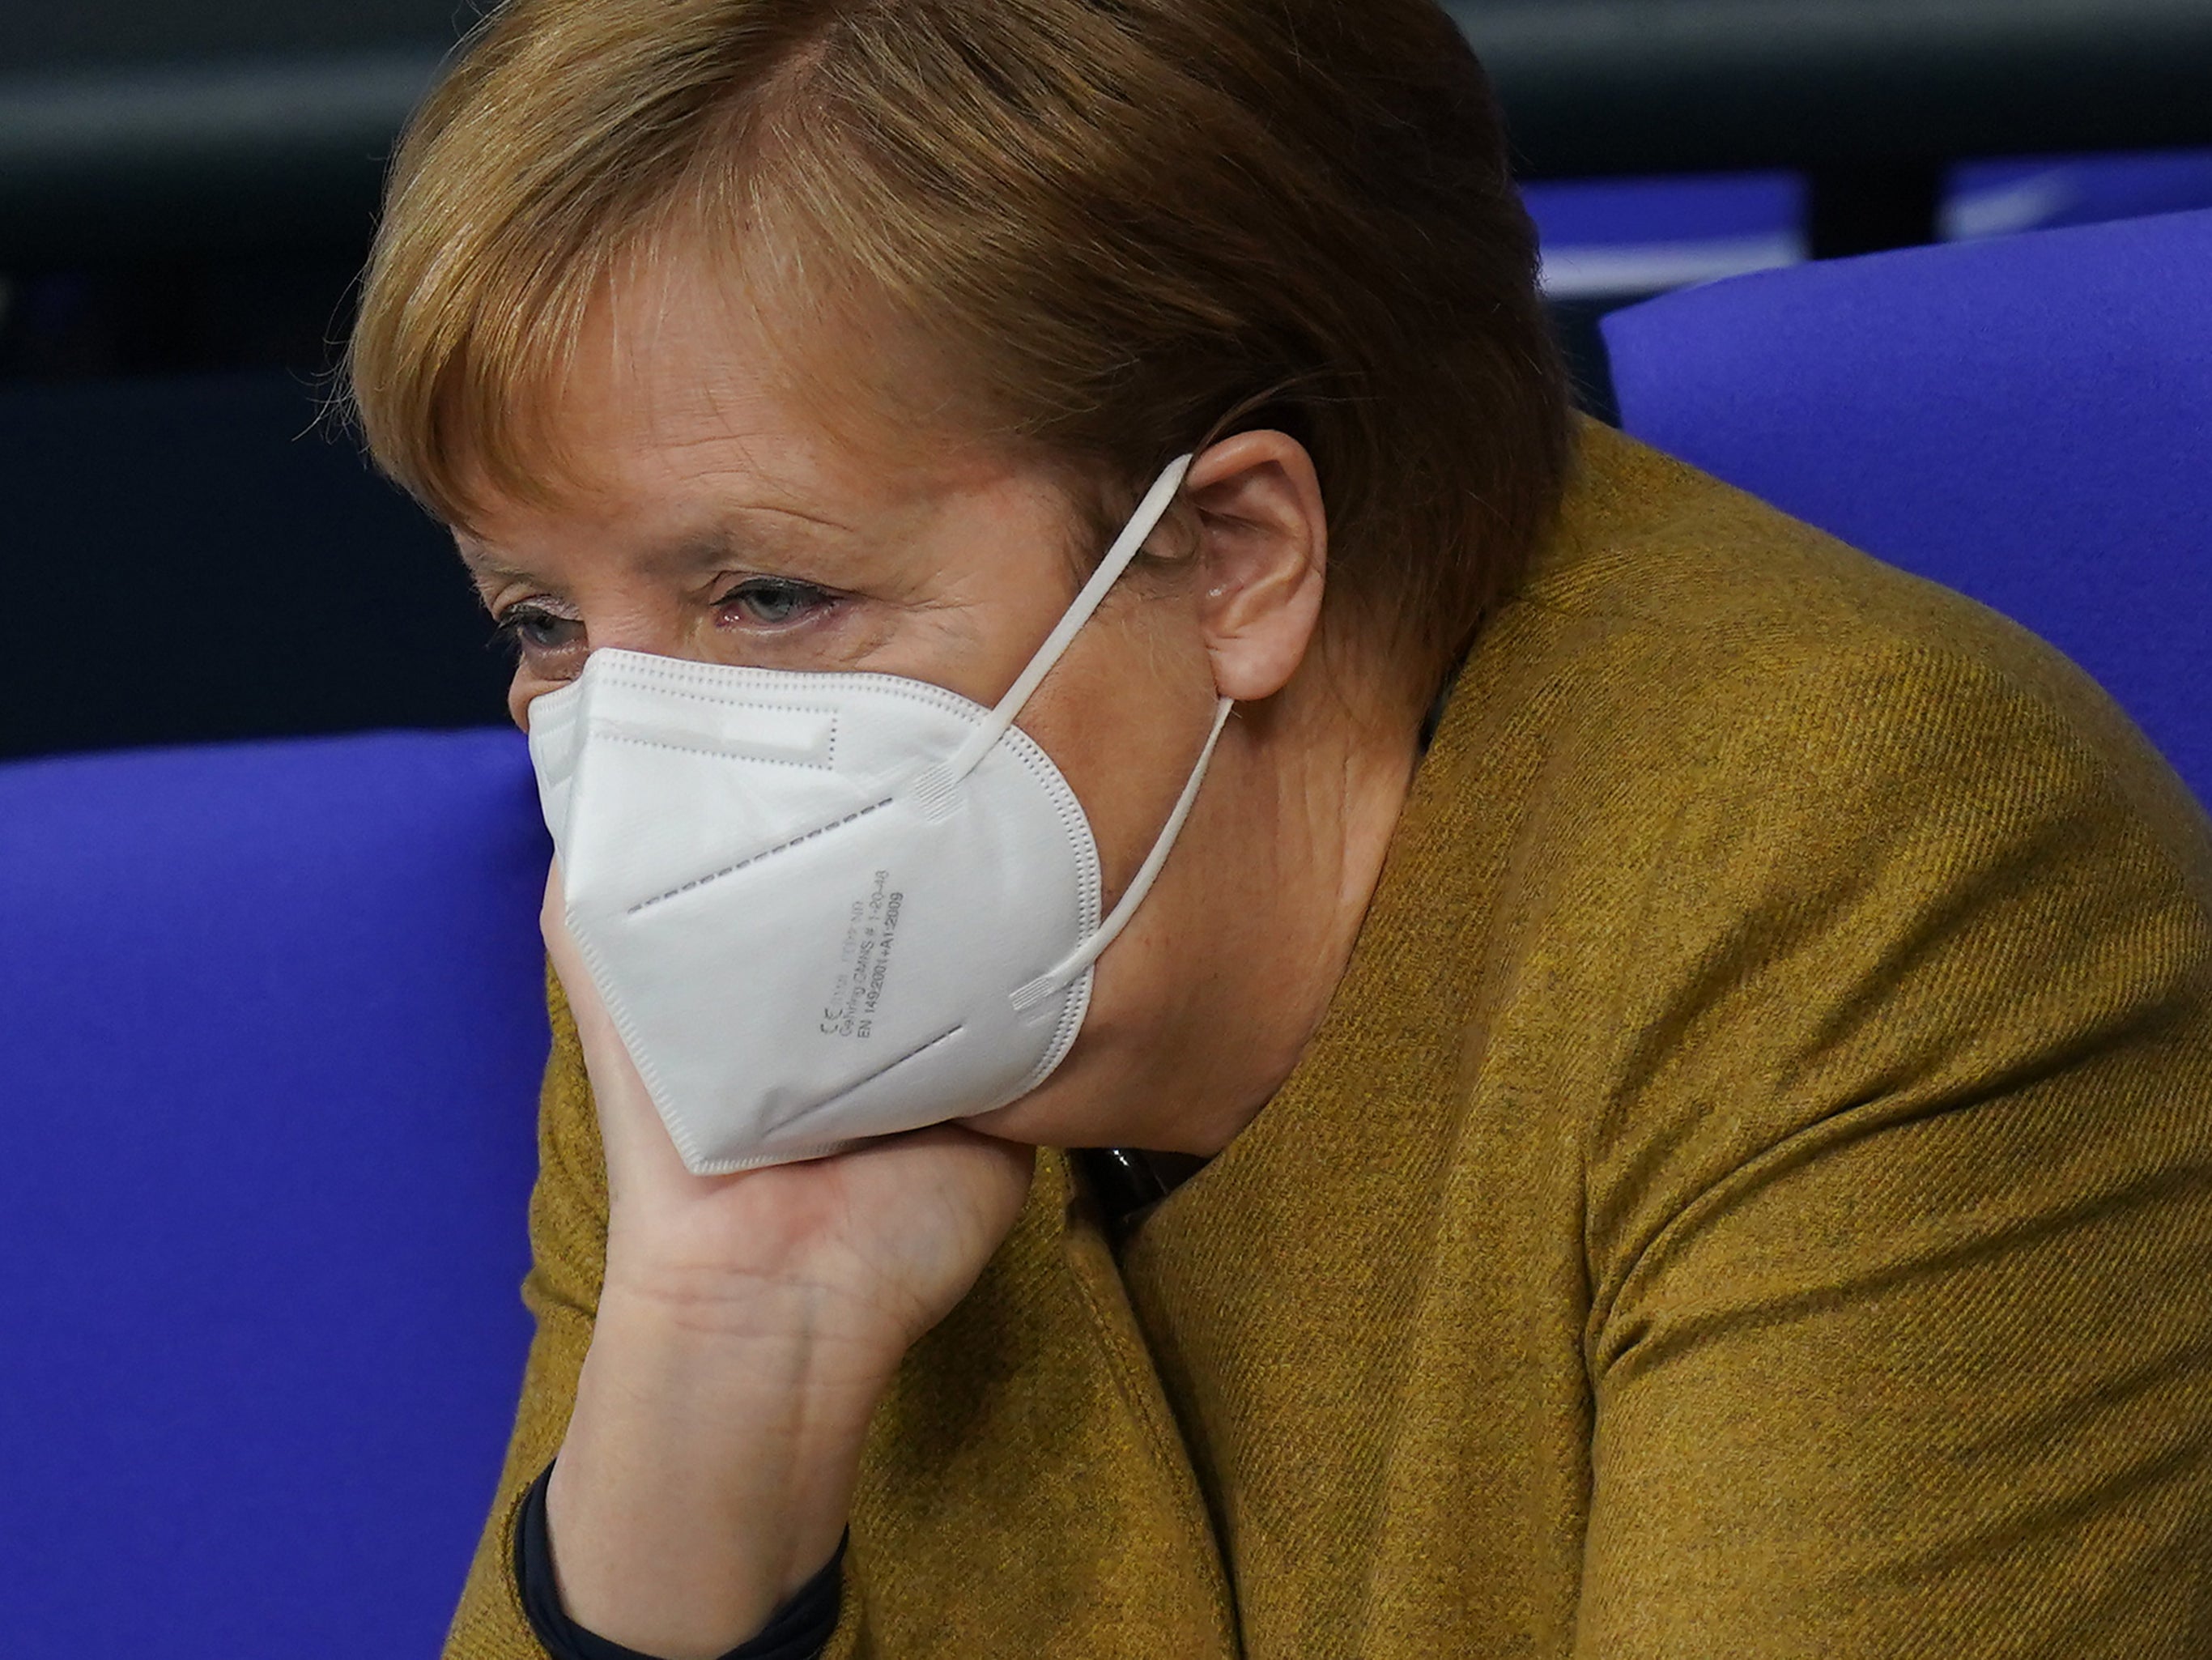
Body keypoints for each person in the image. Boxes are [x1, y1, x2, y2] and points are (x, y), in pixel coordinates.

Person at [346, 1, 2212, 1655]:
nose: (639, 761)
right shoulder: (741, 932)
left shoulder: (1862, 873)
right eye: (541, 622)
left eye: (763, 598)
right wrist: (723, 1372)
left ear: (1233, 551)